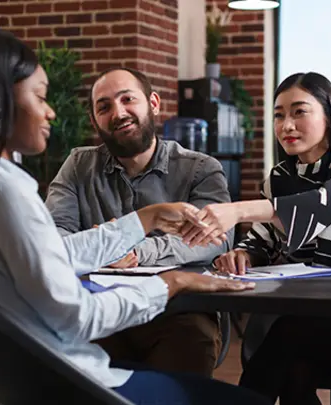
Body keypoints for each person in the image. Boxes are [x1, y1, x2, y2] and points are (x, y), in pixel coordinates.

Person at [0, 27, 267, 405]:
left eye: (128, 100)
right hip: (63, 381)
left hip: (7, 381)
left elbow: (52, 254)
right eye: (40, 96)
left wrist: (143, 221)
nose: (51, 110)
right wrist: (171, 282)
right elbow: (76, 314)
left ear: (153, 103)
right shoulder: (5, 191)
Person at [176, 72, 331, 404]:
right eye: (279, 115)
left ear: (329, 116)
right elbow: (260, 241)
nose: (287, 125)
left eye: (299, 112)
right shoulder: (279, 178)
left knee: (286, 340)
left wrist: (237, 210)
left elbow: (327, 201)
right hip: (308, 318)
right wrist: (243, 255)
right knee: (292, 367)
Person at [44, 67, 232, 376]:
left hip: (177, 312)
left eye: (127, 99)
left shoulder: (200, 168)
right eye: (104, 107)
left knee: (189, 340)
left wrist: (133, 252)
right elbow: (53, 240)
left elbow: (216, 240)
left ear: (154, 103)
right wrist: (105, 247)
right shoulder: (78, 166)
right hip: (100, 310)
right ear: (94, 120)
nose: (118, 113)